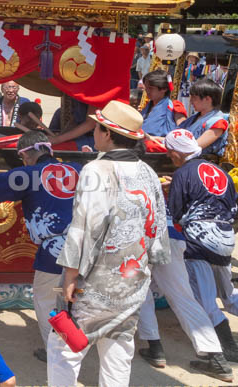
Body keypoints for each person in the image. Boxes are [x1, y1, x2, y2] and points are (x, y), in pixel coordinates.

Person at [49, 100, 170, 387]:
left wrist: (70, 276)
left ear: (106, 134)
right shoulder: (148, 172)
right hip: (133, 279)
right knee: (119, 350)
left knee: (65, 349)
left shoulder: (96, 170)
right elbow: (157, 228)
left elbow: (84, 227)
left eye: (97, 127)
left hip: (94, 281)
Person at [0, 130, 82, 362]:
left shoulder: (28, 173)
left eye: (22, 159)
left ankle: (58, 353)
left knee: (46, 301)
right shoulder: (78, 168)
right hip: (87, 248)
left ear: (27, 156)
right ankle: (72, 346)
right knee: (74, 298)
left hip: (55, 253)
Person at [134, 127, 231, 379]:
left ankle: (155, 348)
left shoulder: (117, 170)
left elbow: (178, 209)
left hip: (158, 236)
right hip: (205, 236)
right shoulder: (217, 171)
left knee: (141, 290)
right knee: (185, 296)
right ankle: (215, 357)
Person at [163, 127, 238, 371]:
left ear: (175, 152)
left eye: (168, 151)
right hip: (225, 239)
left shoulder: (183, 173)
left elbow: (175, 212)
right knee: (228, 296)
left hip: (199, 241)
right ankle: (228, 347)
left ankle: (226, 352)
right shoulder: (220, 172)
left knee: (204, 300)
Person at [179, 78, 229, 156]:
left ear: (207, 99)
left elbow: (193, 147)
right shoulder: (193, 118)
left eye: (194, 98)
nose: (190, 101)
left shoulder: (217, 122)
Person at [141, 69, 185, 147]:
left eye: (150, 88)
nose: (147, 91)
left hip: (162, 150)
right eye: (146, 88)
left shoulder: (174, 106)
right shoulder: (147, 107)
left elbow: (182, 134)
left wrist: (153, 138)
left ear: (164, 89)